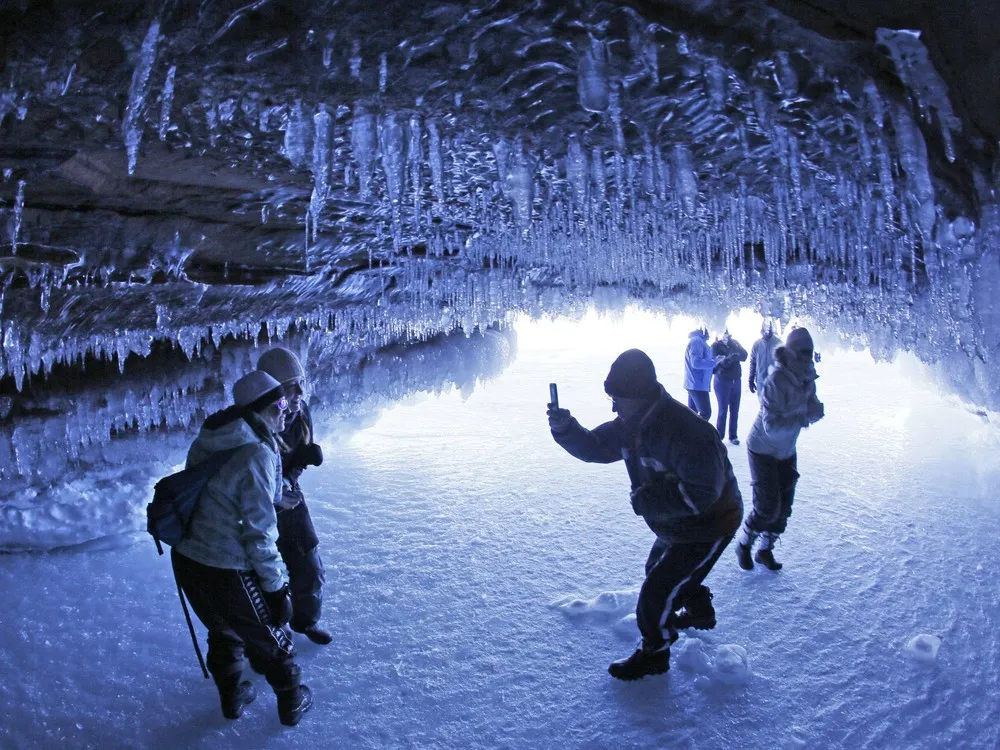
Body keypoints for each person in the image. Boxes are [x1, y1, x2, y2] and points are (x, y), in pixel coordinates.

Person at [547, 349, 743, 681]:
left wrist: (646, 502)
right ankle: (697, 607)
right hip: (676, 523)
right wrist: (566, 428)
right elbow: (596, 446)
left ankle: (655, 654)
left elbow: (702, 493)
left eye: (617, 398)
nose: (613, 406)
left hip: (710, 523)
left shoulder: (686, 432)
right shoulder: (631, 425)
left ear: (640, 395)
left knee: (655, 593)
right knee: (659, 571)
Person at [171, 370, 313, 726]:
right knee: (269, 634)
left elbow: (220, 491)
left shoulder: (213, 436)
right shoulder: (257, 453)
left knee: (222, 629)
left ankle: (232, 694)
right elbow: (260, 535)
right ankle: (293, 700)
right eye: (279, 403)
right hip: (226, 565)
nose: (286, 410)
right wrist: (277, 588)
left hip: (188, 558)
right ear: (262, 408)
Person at [257, 347, 331, 646]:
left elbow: (299, 453)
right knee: (263, 574)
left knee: (309, 565)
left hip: (288, 497)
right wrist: (275, 490)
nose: (300, 391)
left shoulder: (301, 413)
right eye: (291, 386)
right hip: (256, 505)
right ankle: (271, 631)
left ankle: (305, 620)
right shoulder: (255, 422)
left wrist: (295, 469)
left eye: (301, 382)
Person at [735, 327, 824, 571]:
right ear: (792, 353)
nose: (807, 357)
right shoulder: (775, 381)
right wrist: (803, 416)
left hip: (785, 450)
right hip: (762, 448)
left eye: (810, 352)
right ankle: (744, 543)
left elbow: (810, 405)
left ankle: (764, 550)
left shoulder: (807, 376)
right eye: (802, 352)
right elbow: (771, 427)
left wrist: (815, 410)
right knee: (767, 507)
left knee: (784, 508)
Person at [710, 330, 748, 445]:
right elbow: (718, 364)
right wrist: (731, 358)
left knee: (735, 410)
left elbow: (744, 355)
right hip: (722, 381)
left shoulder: (734, 343)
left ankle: (733, 436)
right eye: (723, 332)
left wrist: (733, 354)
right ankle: (719, 436)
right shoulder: (715, 346)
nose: (725, 335)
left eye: (727, 332)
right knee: (723, 410)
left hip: (736, 380)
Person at [684, 326, 717, 420]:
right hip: (697, 384)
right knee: (705, 413)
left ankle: (689, 434)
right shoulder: (697, 341)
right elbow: (696, 363)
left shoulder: (699, 341)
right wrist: (714, 362)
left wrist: (715, 364)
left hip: (696, 383)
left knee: (692, 414)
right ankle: (698, 434)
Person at [748, 320, 782, 398]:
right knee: (762, 406)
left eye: (768, 328)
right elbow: (753, 363)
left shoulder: (779, 344)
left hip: (775, 383)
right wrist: (751, 379)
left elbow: (784, 364)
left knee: (774, 407)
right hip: (761, 382)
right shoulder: (757, 345)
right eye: (765, 328)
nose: (766, 331)